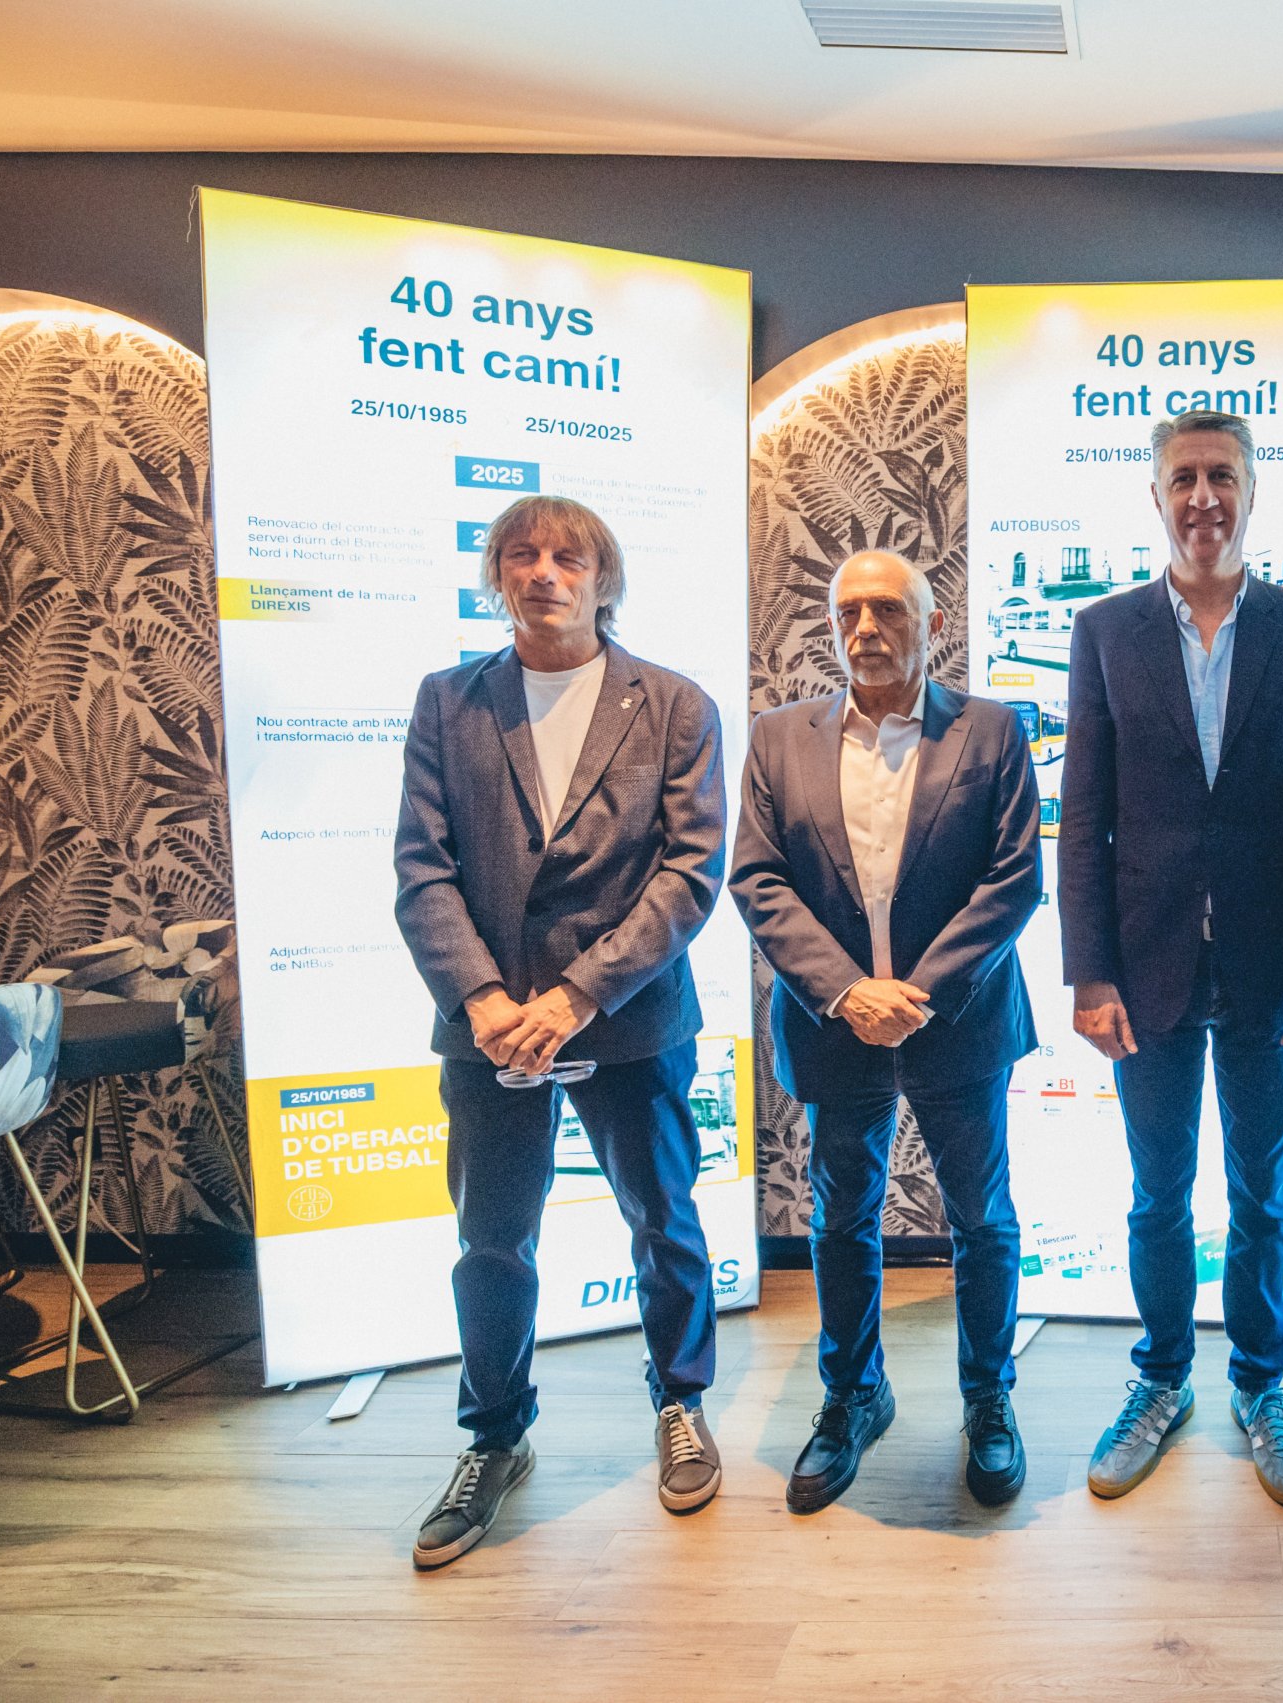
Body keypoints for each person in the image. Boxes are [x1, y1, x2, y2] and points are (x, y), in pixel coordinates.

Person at [394, 493, 728, 1570]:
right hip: (488, 1029)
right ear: (496, 575)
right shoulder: (448, 702)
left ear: (603, 578)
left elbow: (690, 873)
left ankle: (680, 1401)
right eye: (521, 555)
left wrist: (579, 993)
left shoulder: (674, 704)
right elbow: (421, 868)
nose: (543, 572)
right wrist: (484, 999)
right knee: (492, 1240)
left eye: (567, 556)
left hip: (628, 1017)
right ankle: (494, 1436)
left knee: (664, 1220)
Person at [1059, 409, 1283, 1505]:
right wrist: (1088, 970)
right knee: (1157, 1194)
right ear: (1155, 496)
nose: (1203, 497)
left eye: (1222, 476)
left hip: (1270, 966)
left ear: (1250, 492)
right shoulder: (1103, 629)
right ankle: (1161, 1378)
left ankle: (1260, 1383)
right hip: (1144, 968)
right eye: (1183, 477)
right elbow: (1083, 813)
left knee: (1263, 1194)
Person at [729, 550, 1042, 1511]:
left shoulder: (993, 731)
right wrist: (846, 992)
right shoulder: (777, 738)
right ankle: (853, 1394)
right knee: (841, 1219)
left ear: (932, 622)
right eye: (849, 612)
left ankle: (988, 1398)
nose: (865, 629)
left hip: (960, 1024)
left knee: (981, 1219)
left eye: (888, 610)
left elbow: (1014, 879)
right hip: (836, 1028)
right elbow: (758, 878)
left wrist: (920, 992)